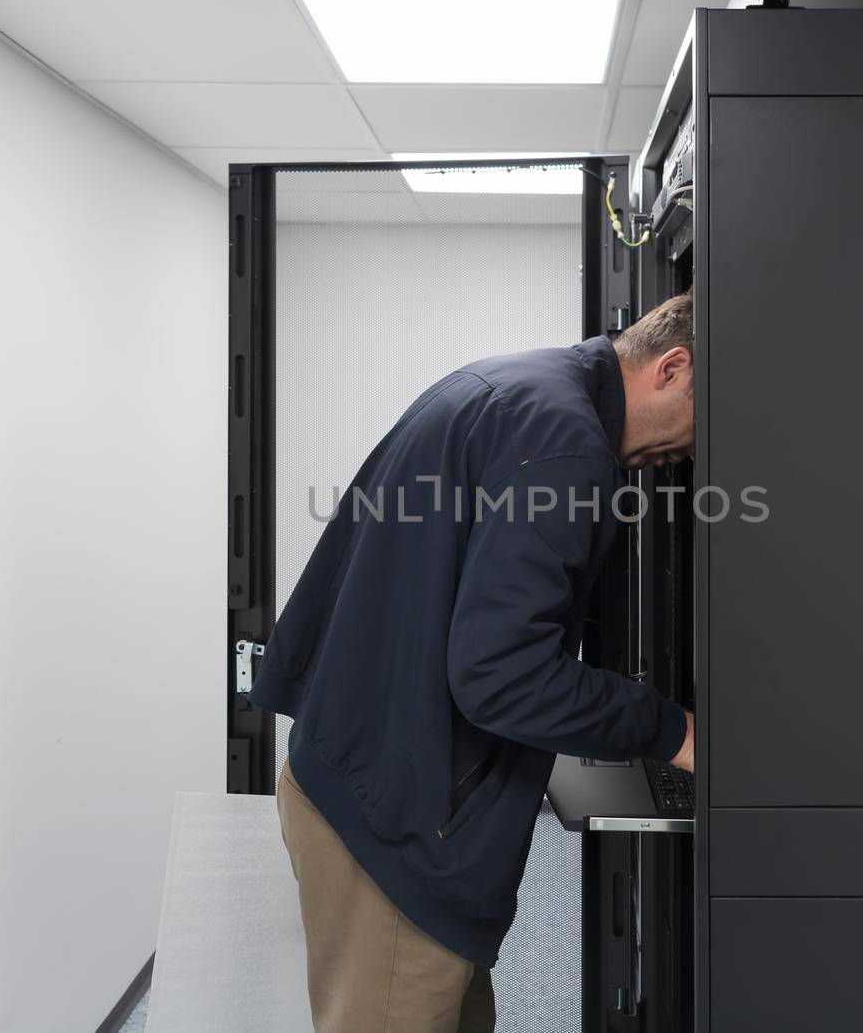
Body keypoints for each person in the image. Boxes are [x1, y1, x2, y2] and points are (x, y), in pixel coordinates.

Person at [251, 290, 697, 1032]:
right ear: (672, 367)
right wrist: (670, 729)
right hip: (396, 825)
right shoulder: (566, 444)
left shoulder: (519, 390)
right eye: (699, 427)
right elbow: (500, 673)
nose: (690, 455)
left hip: (364, 775)